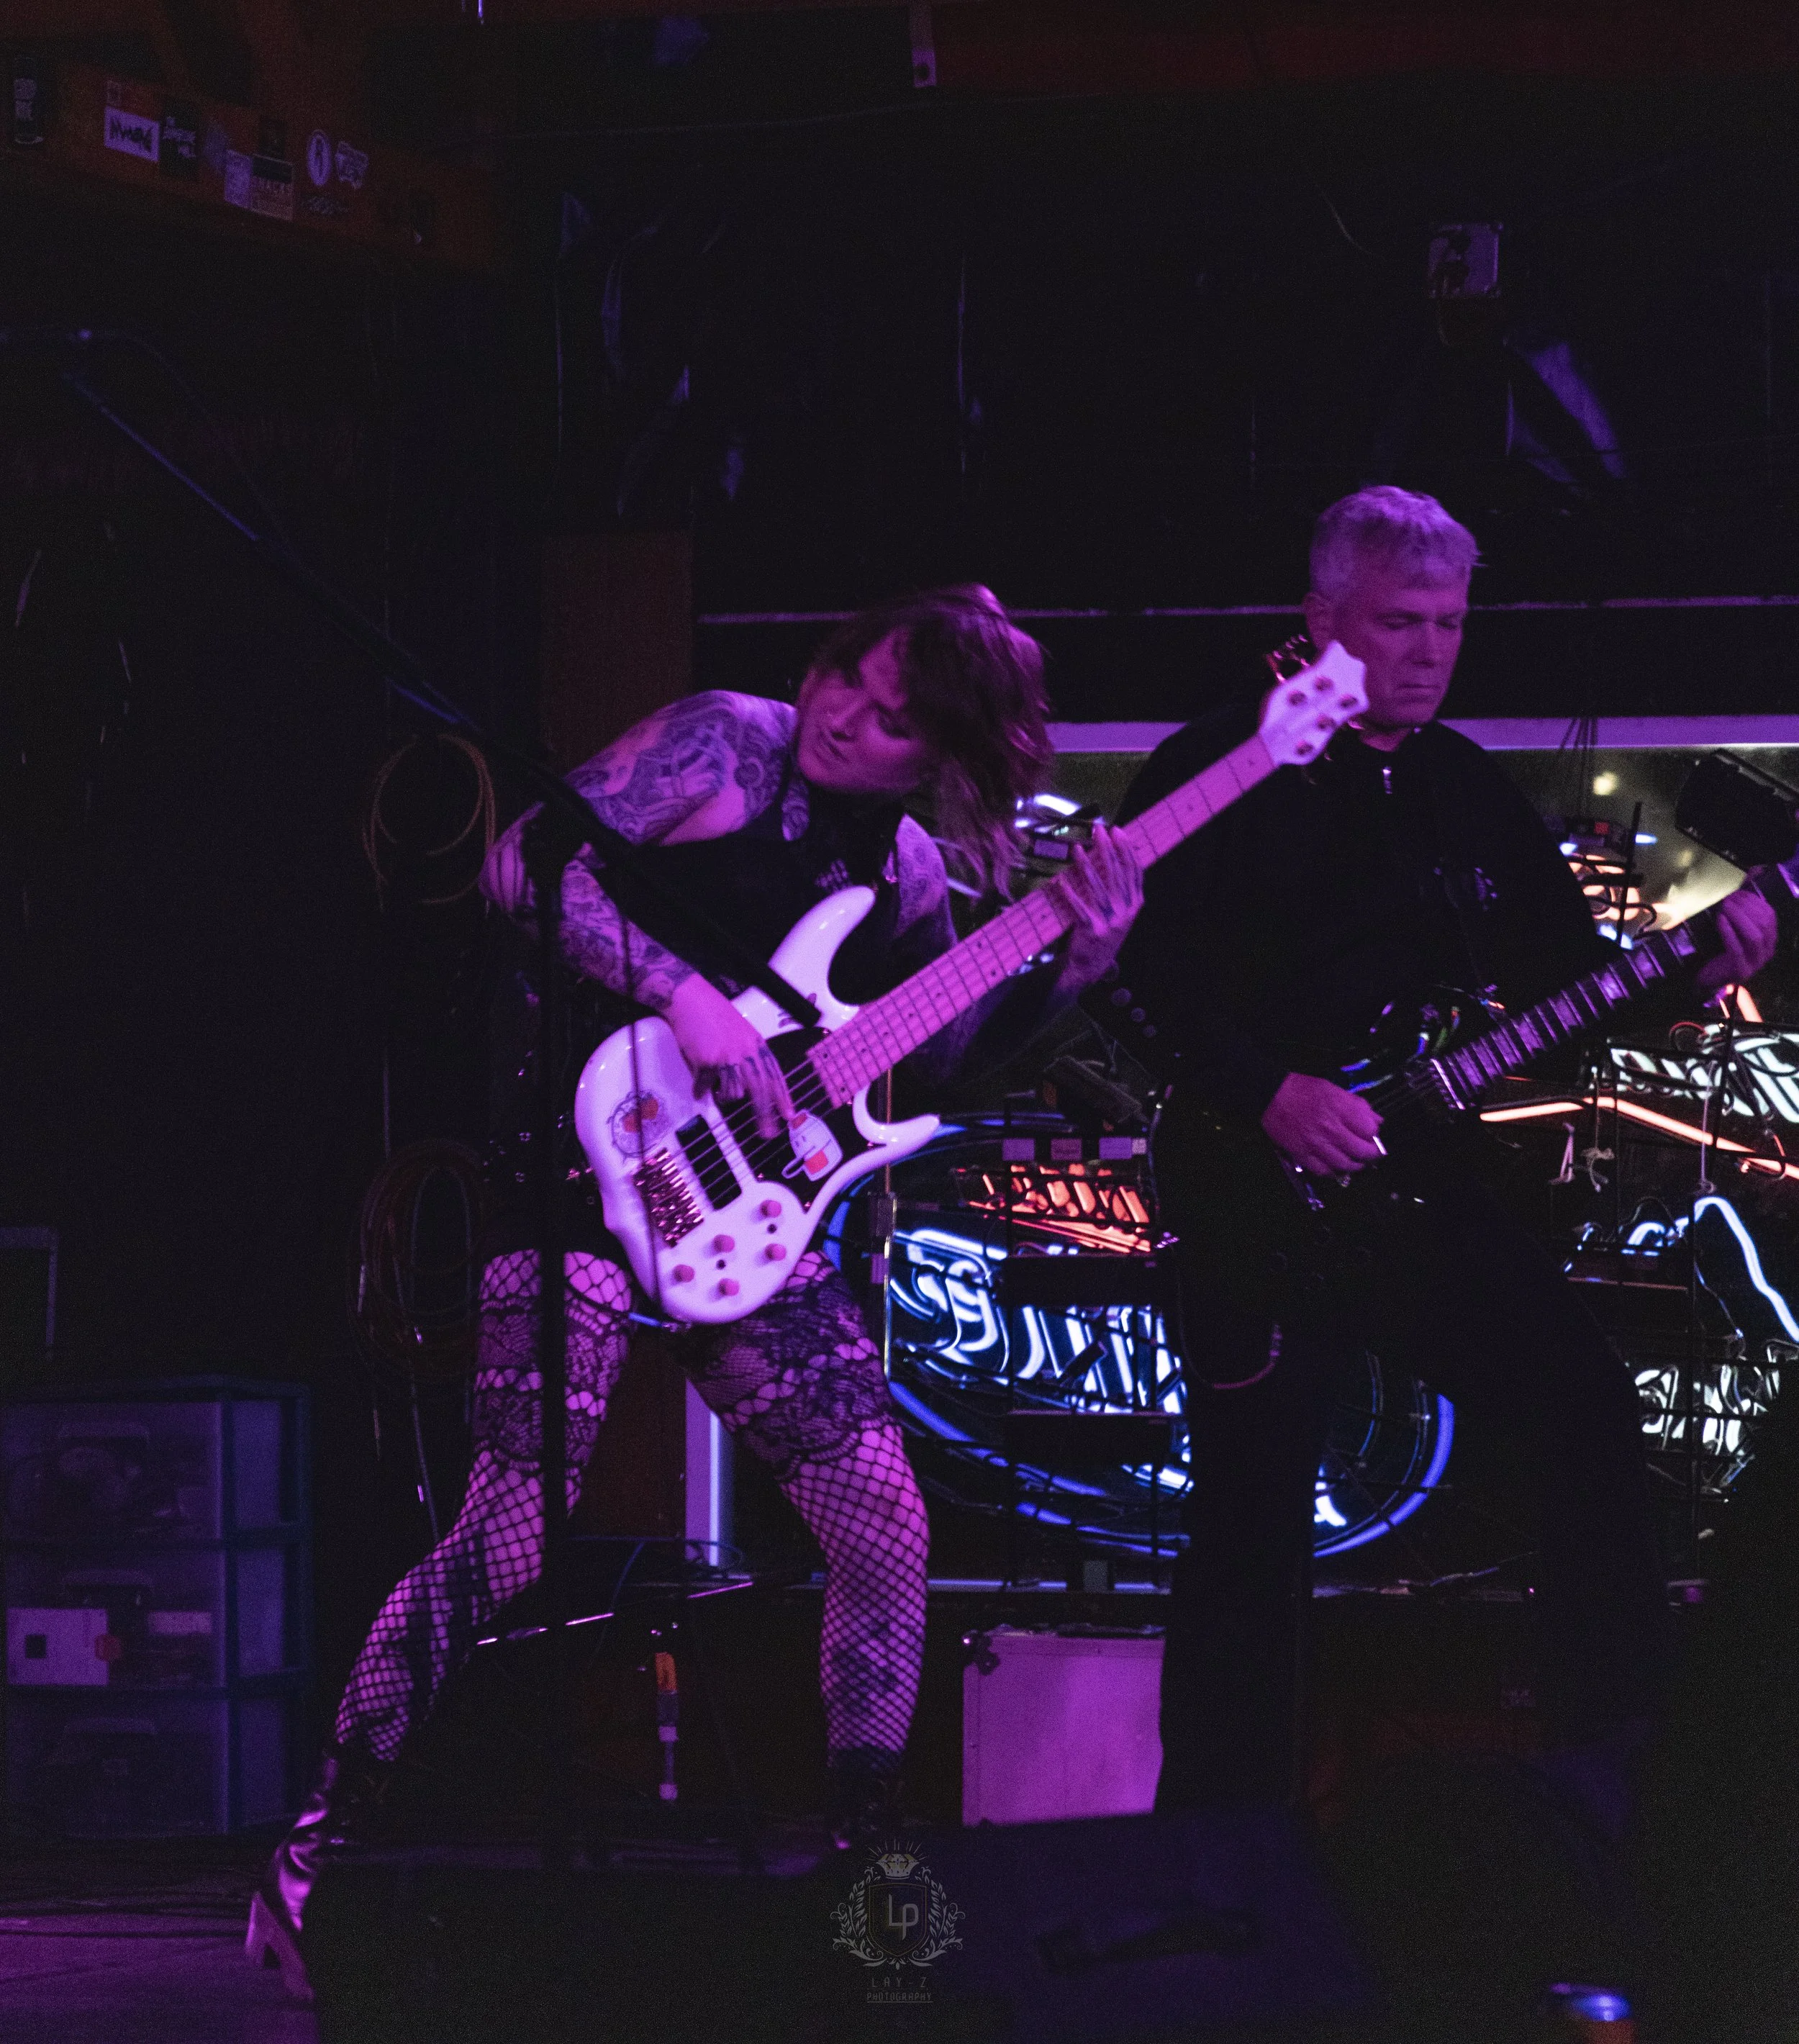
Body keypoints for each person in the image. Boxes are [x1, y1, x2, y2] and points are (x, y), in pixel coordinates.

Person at [248, 585, 1143, 1992]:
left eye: (896, 714)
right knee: (513, 1528)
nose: (849, 711)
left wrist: (1075, 962)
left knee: (884, 1530)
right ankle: (316, 1846)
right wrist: (679, 991)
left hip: (751, 1212)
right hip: (583, 1163)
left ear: (947, 753)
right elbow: (521, 866)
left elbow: (945, 1057)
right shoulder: (723, 742)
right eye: (852, 675)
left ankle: (862, 1880)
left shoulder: (907, 871)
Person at [1102, 487, 1777, 1817]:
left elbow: (1572, 985)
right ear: (1320, 620)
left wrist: (1702, 963)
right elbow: (1123, 969)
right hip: (1256, 1189)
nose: (1428, 649)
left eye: (1450, 622)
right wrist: (1267, 1090)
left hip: (1420, 1194)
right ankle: (1216, 1849)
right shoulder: (1220, 765)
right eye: (1398, 621)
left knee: (1585, 1411)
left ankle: (1626, 1791)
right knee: (1251, 1513)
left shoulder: (1463, 785)